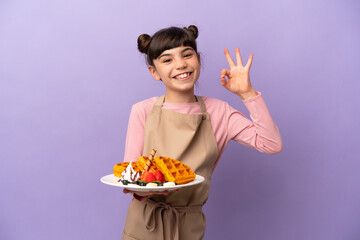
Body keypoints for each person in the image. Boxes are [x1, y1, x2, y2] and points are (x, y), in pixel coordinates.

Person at [121, 25, 282, 240]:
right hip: (144, 224)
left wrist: (247, 94)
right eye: (167, 60)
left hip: (189, 226)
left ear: (197, 59)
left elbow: (271, 144)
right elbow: (130, 175)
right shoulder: (142, 111)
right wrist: (149, 189)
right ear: (154, 72)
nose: (180, 64)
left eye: (187, 54)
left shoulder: (219, 112)